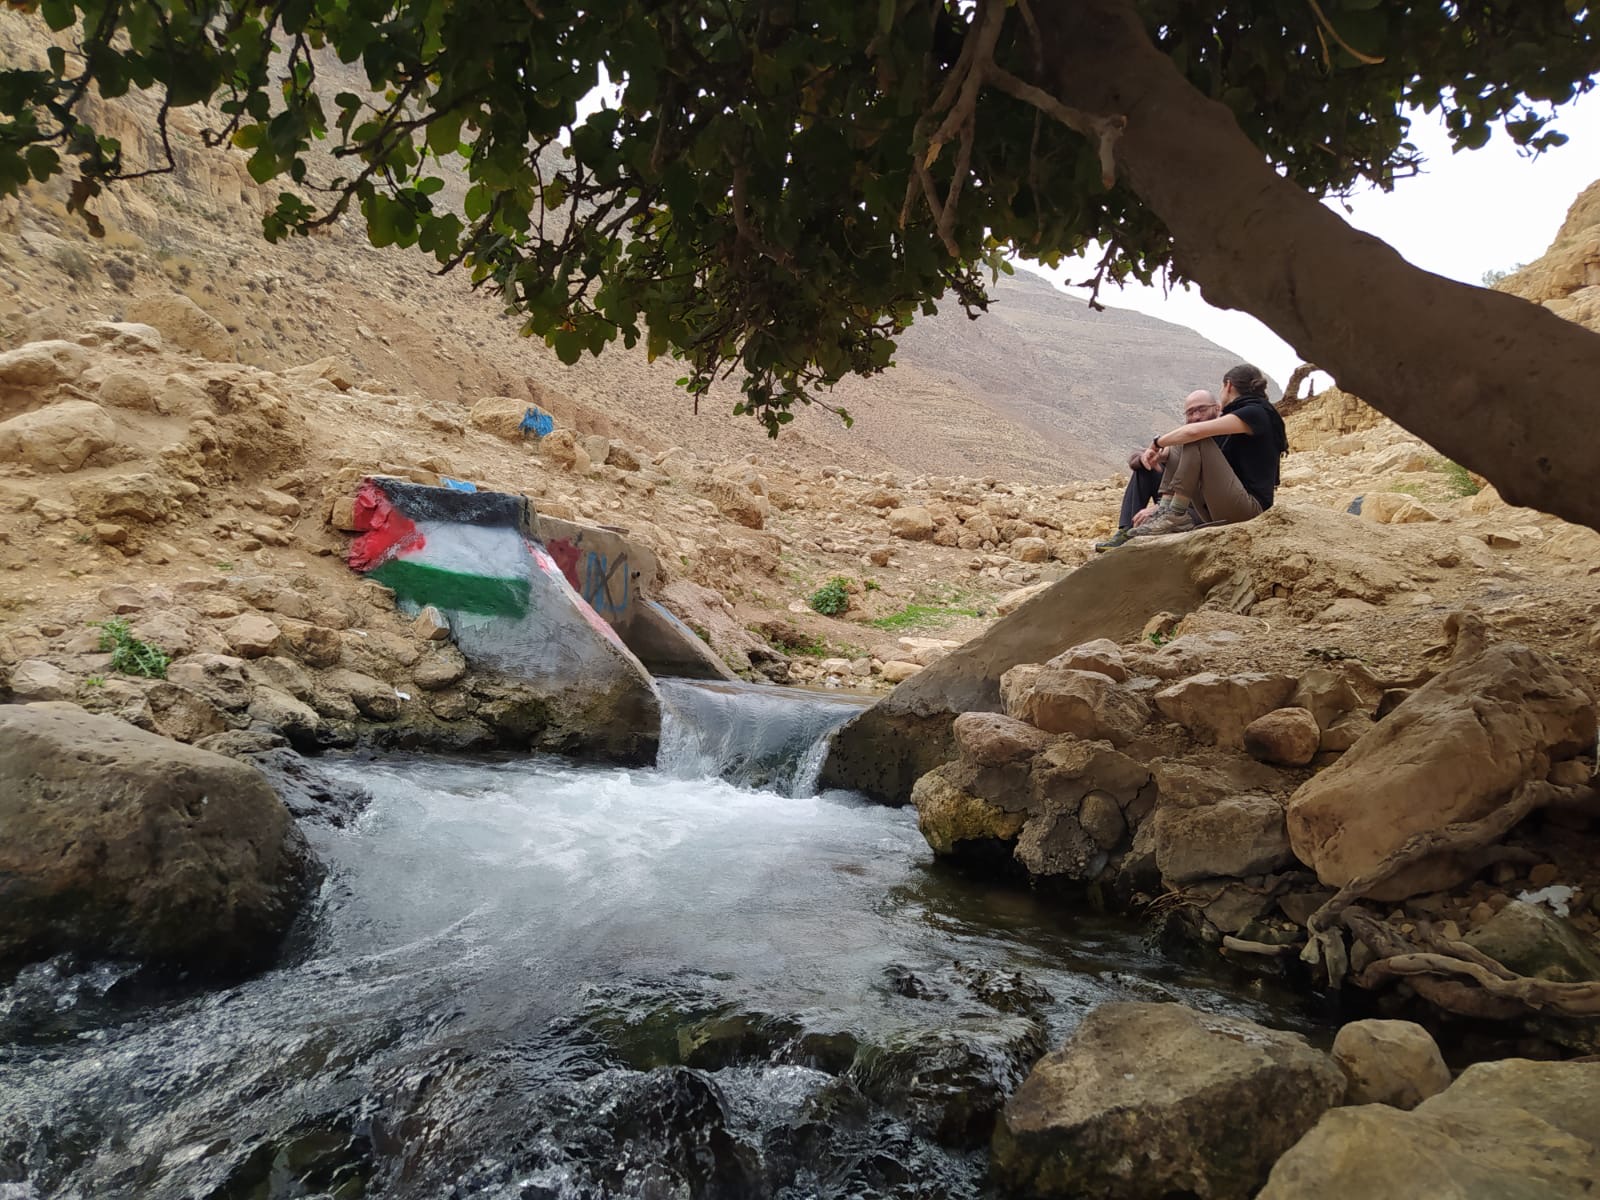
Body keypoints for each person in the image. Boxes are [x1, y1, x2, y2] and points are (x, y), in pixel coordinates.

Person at [1127, 363, 1288, 538]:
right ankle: (1165, 510)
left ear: (1228, 386)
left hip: (1250, 509)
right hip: (1222, 506)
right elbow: (1191, 448)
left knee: (1194, 436)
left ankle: (1175, 512)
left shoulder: (1256, 412)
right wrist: (1162, 455)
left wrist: (1157, 443)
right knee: (1183, 441)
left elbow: (1194, 433)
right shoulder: (1240, 416)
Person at [1094, 389, 1221, 551]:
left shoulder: (1224, 437)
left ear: (1217, 408)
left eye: (1202, 409)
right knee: (1145, 468)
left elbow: (1207, 489)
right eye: (1190, 412)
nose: (1196, 416)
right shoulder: (1186, 441)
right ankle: (1125, 531)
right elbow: (1160, 460)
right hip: (1174, 504)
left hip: (1201, 510)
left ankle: (1161, 518)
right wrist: (1144, 459)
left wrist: (1158, 508)